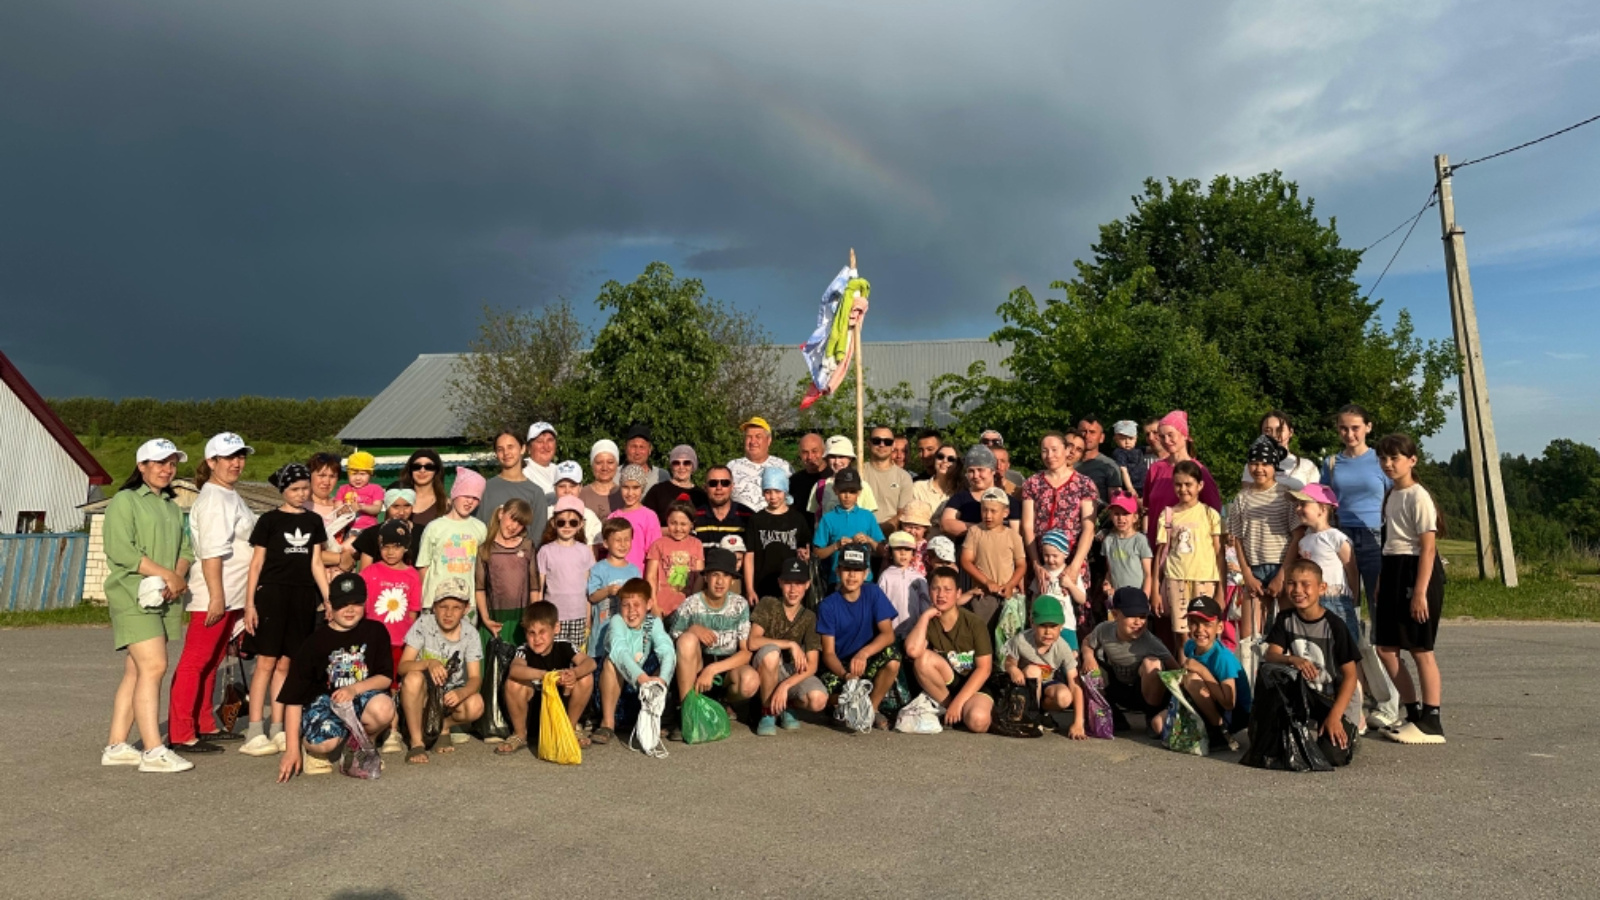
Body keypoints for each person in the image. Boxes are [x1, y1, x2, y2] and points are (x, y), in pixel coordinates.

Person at [100, 438, 197, 773]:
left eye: (172, 463)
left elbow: (186, 549)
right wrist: (167, 574)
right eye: (159, 462)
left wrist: (176, 576)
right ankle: (154, 750)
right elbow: (120, 550)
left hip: (164, 597)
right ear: (141, 466)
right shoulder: (125, 501)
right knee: (154, 666)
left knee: (137, 669)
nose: (167, 469)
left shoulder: (171, 506)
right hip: (132, 595)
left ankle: (116, 745)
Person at [170, 432, 256, 754]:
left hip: (232, 593)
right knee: (196, 661)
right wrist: (216, 597)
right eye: (229, 457)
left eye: (240, 456)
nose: (237, 463)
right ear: (211, 461)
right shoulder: (214, 499)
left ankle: (203, 723)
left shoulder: (229, 494)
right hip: (216, 593)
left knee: (212, 660)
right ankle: (181, 732)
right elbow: (211, 553)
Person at [239, 463, 331, 759]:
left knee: (286, 664)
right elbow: (256, 564)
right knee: (266, 661)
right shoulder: (269, 520)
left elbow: (316, 562)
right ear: (283, 490)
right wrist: (250, 604)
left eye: (305, 488)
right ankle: (255, 729)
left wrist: (328, 599)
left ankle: (279, 727)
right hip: (272, 595)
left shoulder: (314, 521)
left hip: (303, 596)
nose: (301, 493)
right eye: (295, 489)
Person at [273, 573, 396, 780]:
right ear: (329, 605)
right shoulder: (314, 642)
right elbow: (293, 698)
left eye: (356, 603)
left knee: (384, 708)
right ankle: (312, 749)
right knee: (325, 744)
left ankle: (359, 746)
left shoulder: (376, 631)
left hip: (360, 696)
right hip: (326, 702)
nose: (350, 610)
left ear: (365, 602)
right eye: (342, 604)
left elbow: (385, 677)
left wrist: (353, 689)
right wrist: (291, 749)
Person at [1374, 434, 1447, 745]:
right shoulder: (1391, 494)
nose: (1388, 464)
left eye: (1395, 458)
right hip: (1392, 568)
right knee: (1385, 648)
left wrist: (1419, 592)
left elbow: (1427, 548)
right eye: (1383, 458)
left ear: (1412, 460)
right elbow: (1390, 541)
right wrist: (1382, 579)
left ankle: (1432, 720)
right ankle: (1413, 713)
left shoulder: (1419, 497)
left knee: (1420, 648)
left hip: (1416, 571)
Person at [1264, 559, 1360, 763]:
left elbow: (1351, 676)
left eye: (1305, 584)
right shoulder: (1285, 618)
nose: (1298, 590)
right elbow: (1270, 655)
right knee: (1275, 750)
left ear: (1321, 588)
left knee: (1331, 757)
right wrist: (1292, 659)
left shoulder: (1335, 625)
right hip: (1306, 695)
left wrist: (1335, 716)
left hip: (1335, 699)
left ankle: (1350, 729)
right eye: (1291, 583)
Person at [667, 547, 758, 738]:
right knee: (687, 639)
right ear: (706, 577)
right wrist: (692, 629)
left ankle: (722, 701)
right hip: (697, 666)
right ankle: (687, 711)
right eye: (715, 574)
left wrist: (713, 670)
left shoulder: (739, 605)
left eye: (726, 575)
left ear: (732, 580)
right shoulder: (691, 604)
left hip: (725, 666)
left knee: (750, 681)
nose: (720, 581)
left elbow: (745, 652)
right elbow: (673, 638)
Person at [398, 579, 485, 763]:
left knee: (476, 704)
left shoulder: (470, 634)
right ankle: (416, 741)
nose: (449, 613)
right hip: (423, 696)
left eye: (456, 607)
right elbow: (402, 666)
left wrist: (462, 693)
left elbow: (475, 678)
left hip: (448, 696)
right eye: (443, 606)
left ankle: (442, 727)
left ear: (466, 609)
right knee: (413, 678)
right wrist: (428, 663)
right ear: (434, 607)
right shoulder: (424, 624)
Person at [815, 545, 902, 729]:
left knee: (893, 658)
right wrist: (846, 675)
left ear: (866, 573)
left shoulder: (874, 593)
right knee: (822, 695)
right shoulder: (827, 605)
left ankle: (872, 708)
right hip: (839, 665)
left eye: (857, 570)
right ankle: (840, 706)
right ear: (838, 571)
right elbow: (828, 653)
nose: (852, 575)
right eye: (847, 569)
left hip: (865, 658)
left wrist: (864, 653)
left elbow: (888, 634)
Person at [499, 600, 597, 755]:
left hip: (561, 714)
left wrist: (574, 673)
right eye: (531, 633)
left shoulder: (564, 645)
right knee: (513, 683)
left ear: (556, 628)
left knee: (586, 677)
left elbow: (590, 663)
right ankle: (520, 734)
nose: (537, 639)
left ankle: (570, 729)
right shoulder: (524, 650)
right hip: (535, 714)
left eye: (542, 632)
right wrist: (546, 675)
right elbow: (515, 670)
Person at [906, 566, 995, 733]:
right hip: (947, 684)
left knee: (978, 721)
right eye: (935, 589)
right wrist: (925, 616)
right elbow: (913, 651)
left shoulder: (974, 623)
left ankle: (960, 710)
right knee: (922, 659)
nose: (941, 595)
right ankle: (950, 710)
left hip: (974, 683)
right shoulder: (929, 621)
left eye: (948, 590)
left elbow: (984, 669)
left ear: (958, 593)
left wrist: (959, 702)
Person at [1322, 404, 1391, 616]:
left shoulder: (1382, 461)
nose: (1349, 434)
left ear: (1368, 427)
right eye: (1343, 428)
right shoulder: (1331, 463)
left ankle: (1380, 637)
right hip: (1341, 535)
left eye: (1355, 428)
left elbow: (1394, 497)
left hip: (1374, 535)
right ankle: (1349, 636)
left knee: (1378, 599)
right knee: (1343, 600)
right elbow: (1324, 502)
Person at [748, 558, 830, 735]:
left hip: (791, 672)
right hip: (766, 668)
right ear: (780, 583)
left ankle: (786, 705)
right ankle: (768, 711)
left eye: (799, 583)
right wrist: (790, 644)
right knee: (771, 653)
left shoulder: (809, 617)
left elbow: (812, 664)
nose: (793, 589)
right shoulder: (768, 603)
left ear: (807, 585)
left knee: (818, 699)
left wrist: (785, 686)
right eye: (788, 583)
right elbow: (753, 641)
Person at [1081, 587, 1178, 734]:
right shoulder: (1104, 630)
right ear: (1115, 615)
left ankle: (1151, 715)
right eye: (1132, 616)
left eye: (1143, 617)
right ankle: (1111, 714)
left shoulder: (1151, 642)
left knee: (1152, 663)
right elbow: (1087, 643)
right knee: (1089, 669)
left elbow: (1176, 669)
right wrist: (1088, 657)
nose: (1138, 622)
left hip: (1142, 694)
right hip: (1117, 688)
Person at [360, 520, 421, 754]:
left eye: (396, 546)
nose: (391, 552)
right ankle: (371, 729)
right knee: (374, 685)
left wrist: (410, 642)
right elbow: (361, 606)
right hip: (373, 642)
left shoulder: (412, 575)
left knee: (395, 686)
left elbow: (413, 613)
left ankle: (393, 730)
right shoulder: (369, 572)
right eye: (385, 546)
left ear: (405, 548)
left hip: (399, 642)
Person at [1154, 460, 1224, 661]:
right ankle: (1185, 676)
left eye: (1188, 484)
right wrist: (1155, 589)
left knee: (1206, 634)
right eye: (1178, 484)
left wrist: (1221, 590)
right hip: (1176, 580)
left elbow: (1219, 554)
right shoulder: (1168, 515)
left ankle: (1207, 674)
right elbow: (1160, 554)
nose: (1183, 489)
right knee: (1183, 636)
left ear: (1200, 485)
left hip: (1205, 579)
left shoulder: (1210, 515)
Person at [594, 578, 676, 746]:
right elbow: (619, 651)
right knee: (611, 662)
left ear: (649, 604)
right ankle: (608, 723)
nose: (631, 611)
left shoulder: (654, 622)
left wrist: (662, 680)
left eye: (637, 605)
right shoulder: (617, 621)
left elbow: (667, 650)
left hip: (641, 690)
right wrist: (641, 678)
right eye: (626, 605)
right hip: (617, 689)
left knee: (664, 661)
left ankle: (652, 718)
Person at [1229, 436, 1296, 635]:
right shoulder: (1241, 498)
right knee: (1249, 634)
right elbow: (1237, 539)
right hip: (1254, 569)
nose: (1259, 469)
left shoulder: (1286, 495)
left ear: (1274, 466)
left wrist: (1282, 575)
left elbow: (1297, 535)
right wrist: (1247, 575)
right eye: (1254, 463)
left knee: (1288, 629)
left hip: (1282, 565)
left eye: (1265, 464)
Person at [1001, 594, 1086, 738]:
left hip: (1047, 684)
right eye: (1042, 626)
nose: (1048, 632)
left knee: (1065, 697)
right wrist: (1013, 669)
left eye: (1053, 626)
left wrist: (1078, 723)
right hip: (1023, 686)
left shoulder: (1063, 647)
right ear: (1032, 623)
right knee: (1033, 671)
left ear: (1061, 626)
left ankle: (1041, 713)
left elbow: (1075, 684)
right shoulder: (1021, 640)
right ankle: (1029, 715)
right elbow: (1009, 662)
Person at [1021, 431, 1098, 587]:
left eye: (1054, 450)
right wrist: (1036, 563)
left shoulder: (1084, 484)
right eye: (1045, 451)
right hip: (1041, 560)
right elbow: (1027, 526)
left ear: (1066, 450)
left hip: (1073, 560)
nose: (1050, 455)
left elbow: (1089, 528)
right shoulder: (1032, 483)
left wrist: (1075, 565)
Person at [1178, 595, 1251, 751]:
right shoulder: (1190, 646)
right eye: (1194, 623)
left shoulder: (1222, 658)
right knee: (1159, 724)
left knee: (1192, 679)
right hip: (1210, 701)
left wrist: (1202, 670)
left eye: (1207, 624)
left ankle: (1219, 731)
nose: (1200, 630)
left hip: (1234, 714)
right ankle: (1207, 725)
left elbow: (1229, 703)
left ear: (1219, 627)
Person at [1290, 484, 1360, 642]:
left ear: (1322, 508)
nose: (1298, 509)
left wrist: (1354, 597)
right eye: (1297, 505)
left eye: (1303, 504)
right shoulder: (1304, 541)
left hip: (1335, 599)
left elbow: (1352, 570)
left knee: (1344, 643)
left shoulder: (1335, 537)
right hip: (1312, 600)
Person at [414, 467, 488, 615]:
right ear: (454, 495)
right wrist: (427, 599)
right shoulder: (434, 527)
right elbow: (423, 566)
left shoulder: (480, 528)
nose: (469, 501)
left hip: (467, 604)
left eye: (475, 498)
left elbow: (481, 568)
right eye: (465, 495)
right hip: (435, 601)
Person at [474, 498, 539, 649]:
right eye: (512, 519)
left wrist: (534, 617)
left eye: (520, 523)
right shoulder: (485, 549)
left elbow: (534, 587)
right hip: (495, 620)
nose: (514, 526)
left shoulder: (527, 546)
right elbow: (480, 588)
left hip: (521, 620)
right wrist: (485, 619)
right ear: (501, 514)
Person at [960, 487, 1027, 626]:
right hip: (983, 595)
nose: (988, 515)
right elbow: (966, 561)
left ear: (1005, 512)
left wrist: (1010, 585)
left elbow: (1021, 565)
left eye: (993, 511)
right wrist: (987, 582)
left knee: (1008, 634)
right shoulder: (975, 532)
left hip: (1007, 595)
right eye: (984, 510)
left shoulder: (1013, 536)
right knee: (983, 633)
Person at [537, 496, 598, 646]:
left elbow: (588, 588)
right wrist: (538, 615)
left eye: (573, 522)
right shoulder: (545, 551)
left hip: (579, 614)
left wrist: (588, 616)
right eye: (561, 522)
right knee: (554, 653)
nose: (567, 526)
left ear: (581, 524)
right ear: (553, 523)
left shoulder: (585, 551)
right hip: (553, 616)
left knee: (576, 654)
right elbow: (539, 588)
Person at [744, 468, 811, 601]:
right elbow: (749, 556)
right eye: (768, 492)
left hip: (791, 586)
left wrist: (805, 555)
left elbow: (805, 549)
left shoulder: (797, 519)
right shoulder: (756, 520)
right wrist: (750, 589)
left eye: (777, 491)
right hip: (762, 585)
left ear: (785, 491)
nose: (773, 496)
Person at [812, 467, 884, 587]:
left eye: (852, 492)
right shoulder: (828, 518)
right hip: (837, 580)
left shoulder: (867, 516)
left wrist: (869, 540)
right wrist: (836, 545)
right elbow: (817, 553)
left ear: (859, 492)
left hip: (864, 580)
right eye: (843, 491)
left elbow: (882, 551)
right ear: (835, 491)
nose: (847, 496)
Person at [476, 429, 550, 545]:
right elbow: (476, 529)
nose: (506, 453)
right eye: (500, 449)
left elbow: (537, 538)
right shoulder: (485, 488)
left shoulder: (536, 493)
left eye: (510, 447)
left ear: (522, 449)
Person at [939, 445, 1021, 539]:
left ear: (992, 471)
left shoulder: (1009, 501)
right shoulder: (960, 498)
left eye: (980, 470)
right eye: (971, 471)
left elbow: (1015, 536)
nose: (976, 475)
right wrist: (983, 528)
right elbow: (946, 524)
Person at [585, 519, 640, 657]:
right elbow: (592, 597)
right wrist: (608, 591)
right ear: (605, 543)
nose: (623, 544)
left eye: (627, 539)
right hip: (601, 636)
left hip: (627, 637)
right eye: (618, 540)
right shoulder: (598, 568)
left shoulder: (634, 571)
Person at [648, 502, 704, 617]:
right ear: (667, 521)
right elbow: (651, 576)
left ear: (691, 524)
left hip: (687, 608)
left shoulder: (697, 544)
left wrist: (694, 603)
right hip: (662, 608)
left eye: (683, 524)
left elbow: (699, 577)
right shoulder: (658, 544)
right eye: (673, 523)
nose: (678, 528)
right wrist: (654, 605)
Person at [1239, 410, 1319, 490]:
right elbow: (1248, 494)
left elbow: (1315, 496)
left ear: (1290, 432)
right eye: (1267, 431)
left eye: (1279, 430)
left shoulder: (1307, 466)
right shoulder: (1254, 465)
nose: (1274, 435)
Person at [727, 416, 792, 512]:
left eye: (758, 437)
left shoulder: (784, 466)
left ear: (769, 440)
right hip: (741, 520)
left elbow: (792, 499)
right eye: (749, 437)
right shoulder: (731, 466)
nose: (753, 441)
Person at [306, 452, 355, 579]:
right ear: (309, 476)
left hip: (339, 575)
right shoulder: (301, 508)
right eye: (321, 475)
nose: (326, 481)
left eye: (332, 476)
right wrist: (339, 558)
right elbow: (303, 550)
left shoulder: (342, 507)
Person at [806, 436, 880, 516]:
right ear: (827, 458)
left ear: (850, 459)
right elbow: (816, 517)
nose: (837, 462)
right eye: (832, 457)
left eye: (841, 456)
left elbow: (869, 518)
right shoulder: (820, 486)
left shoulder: (863, 486)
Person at [860, 424, 915, 532]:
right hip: (858, 534)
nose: (882, 445)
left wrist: (876, 531)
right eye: (876, 441)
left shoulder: (904, 477)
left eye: (887, 442)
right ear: (868, 444)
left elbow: (902, 514)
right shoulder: (858, 472)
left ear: (893, 445)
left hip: (890, 537)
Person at [609, 465, 663, 572]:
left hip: (638, 576)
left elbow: (654, 554)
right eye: (626, 487)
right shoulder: (613, 516)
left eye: (635, 488)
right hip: (614, 575)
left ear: (642, 488)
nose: (630, 493)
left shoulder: (649, 516)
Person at [879, 531, 932, 637]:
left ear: (913, 553)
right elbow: (880, 604)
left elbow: (925, 603)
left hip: (915, 630)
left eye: (907, 549)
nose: (903, 553)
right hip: (892, 631)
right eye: (898, 549)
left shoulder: (919, 577)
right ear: (890, 552)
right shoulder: (885, 576)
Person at [1101, 494, 1154, 599]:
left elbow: (1148, 574)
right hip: (1117, 598)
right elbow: (1110, 571)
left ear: (1135, 517)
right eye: (1116, 514)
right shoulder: (1108, 541)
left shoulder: (1141, 540)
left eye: (1126, 513)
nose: (1121, 518)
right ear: (1111, 516)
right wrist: (1107, 584)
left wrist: (1144, 598)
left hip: (1137, 598)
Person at [1033, 529, 1084, 634]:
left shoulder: (1070, 573)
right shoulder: (1042, 573)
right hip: (1045, 626)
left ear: (1065, 554)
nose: (1050, 560)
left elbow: (1082, 599)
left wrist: (1070, 585)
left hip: (1066, 625)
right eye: (1046, 555)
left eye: (1055, 556)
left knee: (1069, 646)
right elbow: (1035, 597)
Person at [694, 464, 754, 552]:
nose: (719, 487)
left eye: (725, 483)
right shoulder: (694, 517)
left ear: (732, 487)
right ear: (705, 487)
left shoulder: (748, 517)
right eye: (713, 483)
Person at [644, 445, 709, 525]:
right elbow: (646, 523)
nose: (681, 467)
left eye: (686, 463)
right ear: (671, 466)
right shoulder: (657, 491)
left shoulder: (701, 495)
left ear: (693, 466)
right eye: (676, 463)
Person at [351, 489, 416, 570]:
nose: (401, 512)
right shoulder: (371, 534)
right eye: (395, 507)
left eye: (407, 506)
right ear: (387, 507)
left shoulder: (422, 532)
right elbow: (365, 571)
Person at [1075, 416, 1129, 504]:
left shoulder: (1109, 466)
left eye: (1092, 432)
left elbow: (1115, 503)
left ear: (1101, 438)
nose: (1087, 436)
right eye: (1083, 431)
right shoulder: (1065, 463)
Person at [911, 443, 962, 531]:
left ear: (957, 464)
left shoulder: (961, 490)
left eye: (951, 459)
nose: (944, 461)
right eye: (940, 457)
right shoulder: (918, 488)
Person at [398, 448, 449, 531]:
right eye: (416, 466)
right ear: (410, 470)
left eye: (429, 467)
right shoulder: (398, 500)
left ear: (436, 471)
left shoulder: (446, 504)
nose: (422, 470)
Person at [554, 460, 604, 546]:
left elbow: (596, 547)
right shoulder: (545, 513)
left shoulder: (590, 517)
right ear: (555, 489)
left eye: (572, 486)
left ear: (580, 488)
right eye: (562, 486)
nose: (567, 491)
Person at [337, 450, 385, 539]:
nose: (358, 478)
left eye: (362, 474)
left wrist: (361, 507)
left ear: (370, 475)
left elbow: (377, 508)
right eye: (354, 474)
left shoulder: (376, 488)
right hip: (347, 529)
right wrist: (342, 510)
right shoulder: (343, 489)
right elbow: (337, 507)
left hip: (369, 529)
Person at [788, 433, 827, 525]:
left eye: (814, 451)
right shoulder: (794, 481)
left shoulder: (833, 478)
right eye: (805, 452)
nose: (810, 457)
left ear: (823, 451)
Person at [581, 440, 623, 519]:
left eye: (610, 462)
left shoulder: (625, 494)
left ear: (617, 465)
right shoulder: (582, 494)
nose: (604, 468)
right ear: (592, 465)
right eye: (599, 462)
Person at [521, 422, 560, 505]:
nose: (546, 446)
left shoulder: (559, 470)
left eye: (550, 440)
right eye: (539, 441)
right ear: (529, 448)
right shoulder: (523, 472)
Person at [1109, 420, 1149, 494]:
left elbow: (1150, 449)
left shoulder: (1137, 449)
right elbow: (1123, 470)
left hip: (1145, 484)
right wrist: (1130, 488)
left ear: (1136, 438)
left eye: (1131, 438)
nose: (1127, 442)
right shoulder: (1119, 453)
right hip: (1133, 487)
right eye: (1122, 439)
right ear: (1116, 439)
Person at [896, 501, 934, 575]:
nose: (912, 531)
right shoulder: (894, 544)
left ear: (925, 529)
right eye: (909, 527)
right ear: (901, 525)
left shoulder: (928, 548)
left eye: (917, 528)